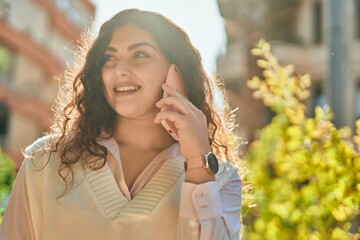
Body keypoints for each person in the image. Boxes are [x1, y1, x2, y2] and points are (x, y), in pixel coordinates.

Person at [0, 8, 242, 240]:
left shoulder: (219, 180)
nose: (120, 69)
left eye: (140, 54)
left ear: (176, 71)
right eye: (110, 57)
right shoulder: (46, 160)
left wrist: (199, 163)